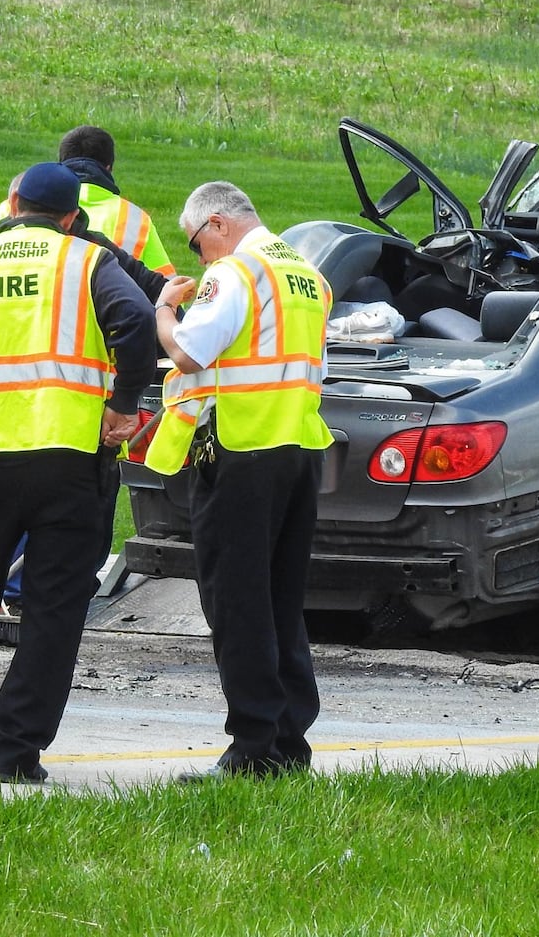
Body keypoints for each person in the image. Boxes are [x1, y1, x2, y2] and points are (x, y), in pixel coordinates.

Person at [0, 161, 155, 784]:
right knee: (52, 610)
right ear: (73, 216)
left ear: (13, 200)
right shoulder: (88, 262)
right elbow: (136, 323)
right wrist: (123, 408)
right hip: (71, 461)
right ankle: (17, 751)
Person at [148, 181, 332, 780]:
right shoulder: (307, 274)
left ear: (219, 224)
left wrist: (165, 312)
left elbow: (189, 354)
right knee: (281, 601)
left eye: (197, 242)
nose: (199, 256)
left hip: (242, 451)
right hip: (298, 449)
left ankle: (252, 748)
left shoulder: (236, 274)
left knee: (237, 602)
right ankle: (288, 742)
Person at [58, 125, 176, 276]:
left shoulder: (36, 209)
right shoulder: (135, 218)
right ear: (109, 168)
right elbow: (168, 286)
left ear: (61, 165)